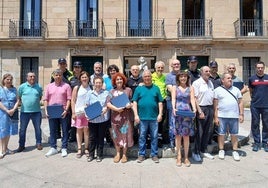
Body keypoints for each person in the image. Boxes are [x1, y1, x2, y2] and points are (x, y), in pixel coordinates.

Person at [132, 70, 163, 163]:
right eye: (145, 76)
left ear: (151, 77)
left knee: (154, 137)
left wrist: (160, 114)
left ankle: (154, 154)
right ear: (143, 78)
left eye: (148, 76)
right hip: (142, 118)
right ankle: (141, 154)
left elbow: (160, 102)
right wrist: (136, 115)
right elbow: (134, 102)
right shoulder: (138, 89)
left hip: (154, 117)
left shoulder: (156, 88)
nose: (147, 78)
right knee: (142, 137)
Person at [214, 72, 244, 161]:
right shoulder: (217, 90)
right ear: (222, 80)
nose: (230, 79)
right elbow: (215, 105)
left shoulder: (236, 90)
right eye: (228, 78)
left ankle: (235, 151)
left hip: (234, 116)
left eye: (231, 78)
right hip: (222, 116)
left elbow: (241, 102)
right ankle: (221, 150)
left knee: (234, 134)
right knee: (221, 134)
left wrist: (241, 114)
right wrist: (215, 117)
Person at [43, 69, 72, 157]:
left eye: (59, 75)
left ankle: (64, 148)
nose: (58, 76)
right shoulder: (48, 86)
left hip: (63, 111)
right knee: (52, 131)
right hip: (52, 111)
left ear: (62, 76)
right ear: (53, 76)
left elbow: (69, 99)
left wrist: (66, 110)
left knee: (65, 130)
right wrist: (46, 110)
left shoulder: (66, 86)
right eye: (56, 75)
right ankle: (53, 148)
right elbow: (45, 99)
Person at [107, 73, 133, 163]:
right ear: (114, 81)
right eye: (117, 79)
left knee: (125, 135)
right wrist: (116, 109)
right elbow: (108, 103)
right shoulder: (111, 92)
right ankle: (118, 153)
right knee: (116, 135)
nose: (119, 81)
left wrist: (129, 105)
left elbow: (131, 102)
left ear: (123, 80)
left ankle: (125, 154)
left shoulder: (128, 90)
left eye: (120, 79)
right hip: (115, 117)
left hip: (126, 117)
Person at [171, 71, 196, 167]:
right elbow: (173, 99)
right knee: (178, 136)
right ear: (178, 78)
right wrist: (173, 108)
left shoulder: (191, 88)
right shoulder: (175, 88)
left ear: (187, 78)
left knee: (186, 136)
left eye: (185, 77)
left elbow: (192, 99)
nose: (183, 78)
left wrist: (194, 109)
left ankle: (186, 157)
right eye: (181, 77)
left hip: (187, 113)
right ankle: (178, 156)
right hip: (177, 113)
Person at [192, 66, 215, 161]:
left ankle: (203, 150)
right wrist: (200, 111)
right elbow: (195, 98)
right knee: (200, 132)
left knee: (207, 131)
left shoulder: (210, 83)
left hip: (210, 108)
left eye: (209, 71)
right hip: (201, 108)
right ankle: (195, 152)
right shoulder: (196, 83)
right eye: (206, 71)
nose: (208, 72)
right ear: (201, 72)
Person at [17, 72, 43, 152]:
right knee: (22, 129)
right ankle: (21, 145)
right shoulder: (22, 87)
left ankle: (38, 143)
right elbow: (19, 97)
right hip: (25, 112)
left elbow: (40, 97)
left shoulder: (38, 87)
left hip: (36, 112)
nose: (32, 78)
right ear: (27, 78)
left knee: (38, 129)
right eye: (31, 76)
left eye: (34, 76)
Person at [86, 76, 110, 162]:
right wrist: (87, 114)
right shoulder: (89, 93)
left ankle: (100, 155)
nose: (98, 84)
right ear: (94, 83)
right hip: (92, 119)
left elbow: (108, 104)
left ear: (102, 83)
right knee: (92, 137)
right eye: (97, 83)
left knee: (100, 137)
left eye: (100, 83)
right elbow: (87, 105)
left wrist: (106, 109)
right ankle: (91, 155)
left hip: (102, 119)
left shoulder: (106, 93)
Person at [248, 61, 268, 152]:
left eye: (261, 67)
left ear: (264, 68)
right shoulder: (252, 78)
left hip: (266, 105)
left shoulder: (267, 78)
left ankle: (265, 142)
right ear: (256, 68)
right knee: (255, 124)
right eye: (258, 68)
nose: (260, 69)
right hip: (255, 105)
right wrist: (254, 99)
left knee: (266, 124)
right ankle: (256, 142)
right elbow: (251, 91)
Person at [71, 71, 91, 158]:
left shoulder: (91, 88)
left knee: (86, 131)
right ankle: (79, 148)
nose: (84, 78)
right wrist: (73, 112)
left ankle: (86, 148)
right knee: (79, 130)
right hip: (78, 113)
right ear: (80, 78)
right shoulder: (77, 88)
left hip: (88, 113)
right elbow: (73, 100)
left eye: (86, 77)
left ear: (88, 78)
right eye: (82, 77)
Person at [0, 73, 20, 159]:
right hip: (3, 112)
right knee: (2, 130)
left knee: (9, 130)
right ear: (4, 80)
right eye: (7, 79)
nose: (9, 81)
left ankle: (6, 148)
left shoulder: (14, 89)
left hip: (12, 112)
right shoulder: (0, 89)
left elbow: (17, 100)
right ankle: (1, 150)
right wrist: (7, 110)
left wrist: (13, 109)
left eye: (10, 79)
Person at [165, 59, 181, 149]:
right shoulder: (169, 76)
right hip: (171, 101)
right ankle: (172, 141)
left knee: (181, 121)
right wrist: (182, 91)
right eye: (174, 64)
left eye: (178, 64)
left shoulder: (183, 75)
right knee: (172, 121)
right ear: (171, 66)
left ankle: (180, 140)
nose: (176, 65)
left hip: (183, 102)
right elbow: (170, 89)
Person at [152, 61, 167, 147]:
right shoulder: (151, 76)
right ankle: (151, 140)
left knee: (161, 122)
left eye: (162, 68)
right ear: (155, 68)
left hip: (162, 102)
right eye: (158, 67)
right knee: (152, 121)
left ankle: (159, 139)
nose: (160, 69)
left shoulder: (165, 77)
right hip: (153, 102)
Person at [68, 61, 83, 142]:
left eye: (79, 67)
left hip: (82, 104)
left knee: (82, 121)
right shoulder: (70, 79)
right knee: (73, 120)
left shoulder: (84, 78)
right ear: (73, 68)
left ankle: (82, 138)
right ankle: (72, 136)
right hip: (73, 103)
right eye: (76, 67)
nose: (77, 69)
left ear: (81, 68)